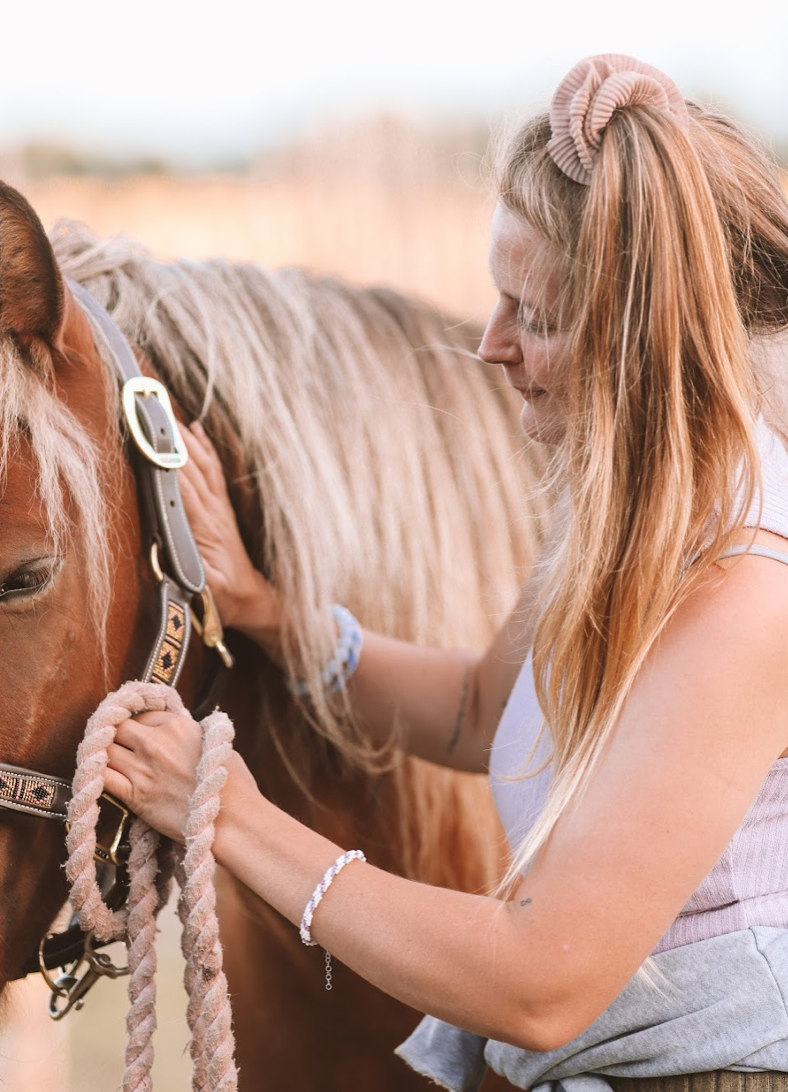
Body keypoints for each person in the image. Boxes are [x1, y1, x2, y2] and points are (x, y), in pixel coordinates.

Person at [103, 54, 788, 1090]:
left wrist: (231, 816)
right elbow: (479, 712)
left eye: (538, 317)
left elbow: (537, 981)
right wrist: (269, 612)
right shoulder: (628, 518)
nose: (491, 343)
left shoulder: (743, 593)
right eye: (496, 296)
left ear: (643, 339)